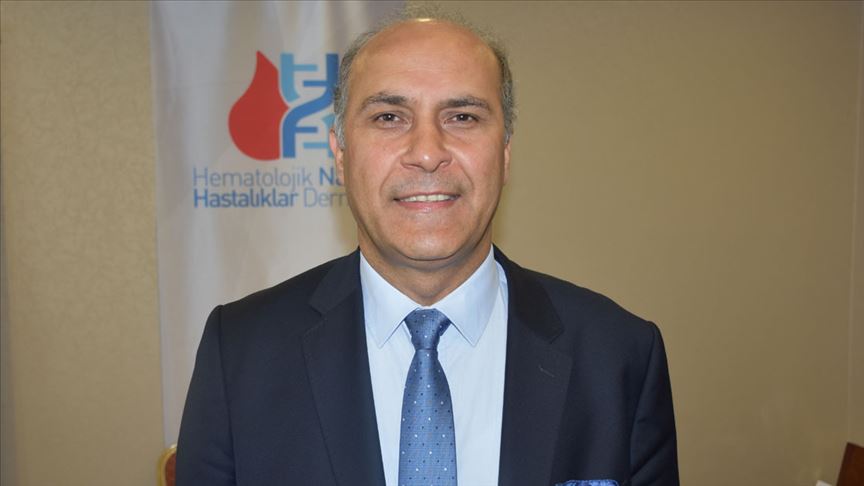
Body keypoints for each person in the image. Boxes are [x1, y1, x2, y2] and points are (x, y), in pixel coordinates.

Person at [176, 11, 679, 486]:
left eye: (462, 116)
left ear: (505, 153)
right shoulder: (239, 353)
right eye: (389, 117)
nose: (427, 152)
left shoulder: (620, 355)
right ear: (340, 153)